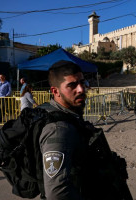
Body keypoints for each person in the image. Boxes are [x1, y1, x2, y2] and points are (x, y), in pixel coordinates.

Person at [39, 60, 131, 199]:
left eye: (82, 82)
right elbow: (57, 193)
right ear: (55, 91)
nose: (81, 89)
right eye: (72, 85)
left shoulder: (71, 117)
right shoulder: (58, 129)